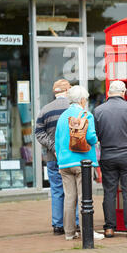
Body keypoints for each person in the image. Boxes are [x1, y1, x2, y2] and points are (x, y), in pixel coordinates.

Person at [94, 80, 127, 239]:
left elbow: (94, 135)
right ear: (124, 93)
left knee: (109, 192)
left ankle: (109, 229)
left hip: (107, 154)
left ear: (109, 93)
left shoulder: (98, 110)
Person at [55, 85, 104, 241]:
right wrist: (97, 140)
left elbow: (56, 141)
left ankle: (69, 233)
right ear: (83, 100)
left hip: (64, 163)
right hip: (82, 162)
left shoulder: (62, 117)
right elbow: (90, 138)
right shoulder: (85, 114)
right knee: (85, 198)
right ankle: (86, 233)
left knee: (69, 198)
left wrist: (60, 160)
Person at [35, 78, 79, 235]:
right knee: (73, 190)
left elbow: (38, 133)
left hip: (53, 158)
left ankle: (58, 224)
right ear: (67, 91)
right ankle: (73, 223)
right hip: (73, 156)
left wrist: (52, 146)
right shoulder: (74, 108)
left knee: (57, 190)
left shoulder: (45, 110)